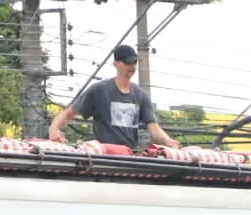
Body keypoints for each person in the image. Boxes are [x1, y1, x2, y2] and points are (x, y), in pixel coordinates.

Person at [47, 44, 181, 151]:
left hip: (130, 156)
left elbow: (154, 129)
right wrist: (54, 128)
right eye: (127, 62)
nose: (132, 66)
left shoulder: (141, 95)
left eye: (134, 62)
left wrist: (167, 140)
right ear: (116, 64)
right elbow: (69, 114)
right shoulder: (99, 90)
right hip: (104, 156)